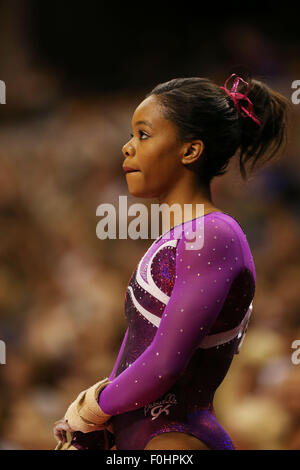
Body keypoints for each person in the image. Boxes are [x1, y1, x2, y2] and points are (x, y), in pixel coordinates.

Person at [53, 73, 290, 450]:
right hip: (141, 435)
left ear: (190, 150)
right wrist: (102, 420)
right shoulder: (180, 237)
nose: (127, 148)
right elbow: (137, 350)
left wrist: (94, 408)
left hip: (173, 438)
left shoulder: (215, 235)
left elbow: (165, 363)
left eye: (143, 135)